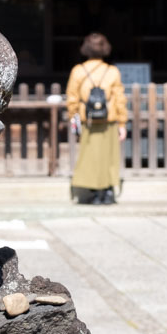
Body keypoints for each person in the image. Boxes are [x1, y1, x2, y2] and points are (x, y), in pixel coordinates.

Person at [66, 32, 128, 205]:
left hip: (89, 121)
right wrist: (122, 123)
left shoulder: (78, 71)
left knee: (90, 156)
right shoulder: (112, 71)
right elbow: (119, 98)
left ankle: (93, 193)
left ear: (86, 49)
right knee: (109, 157)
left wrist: (74, 119)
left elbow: (72, 99)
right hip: (109, 121)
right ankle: (107, 191)